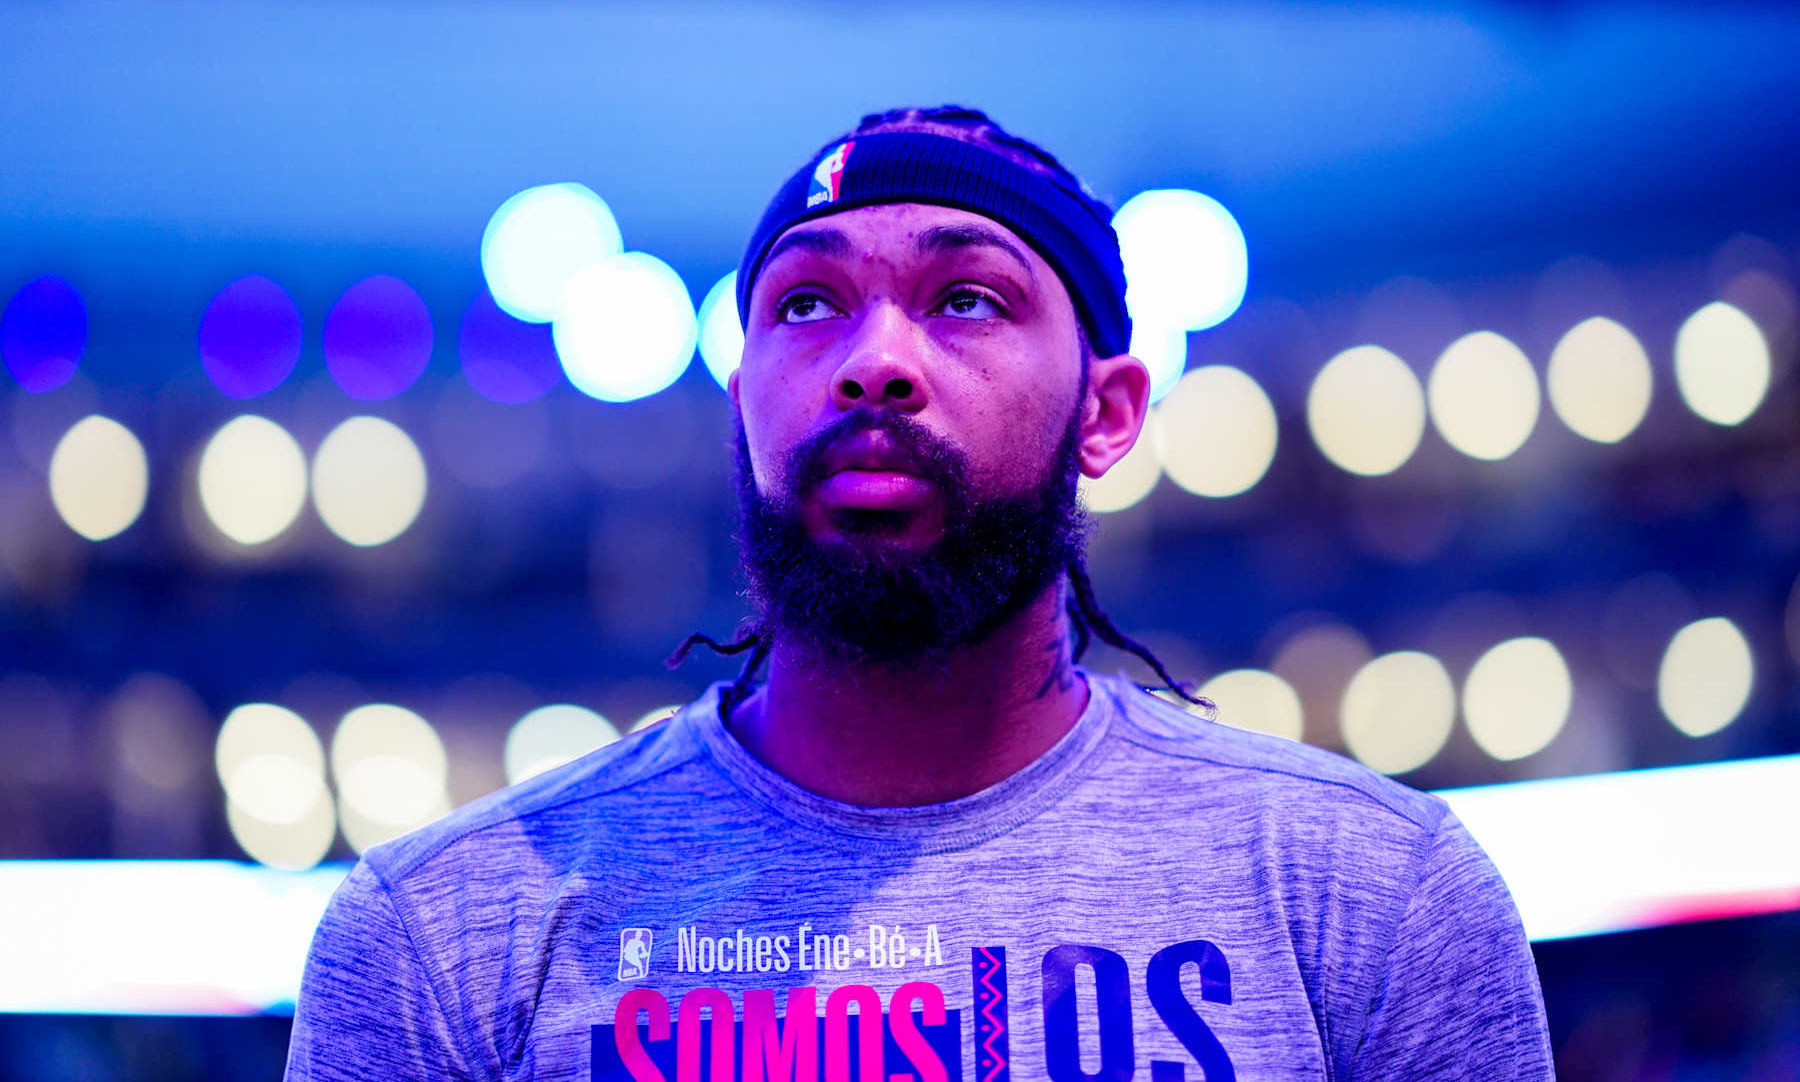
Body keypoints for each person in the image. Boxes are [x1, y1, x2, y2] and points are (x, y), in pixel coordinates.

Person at [284, 106, 1555, 1081]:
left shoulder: (1372, 893)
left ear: (1107, 414)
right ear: (745, 405)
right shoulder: (439, 938)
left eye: (964, 300)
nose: (873, 363)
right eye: (806, 306)